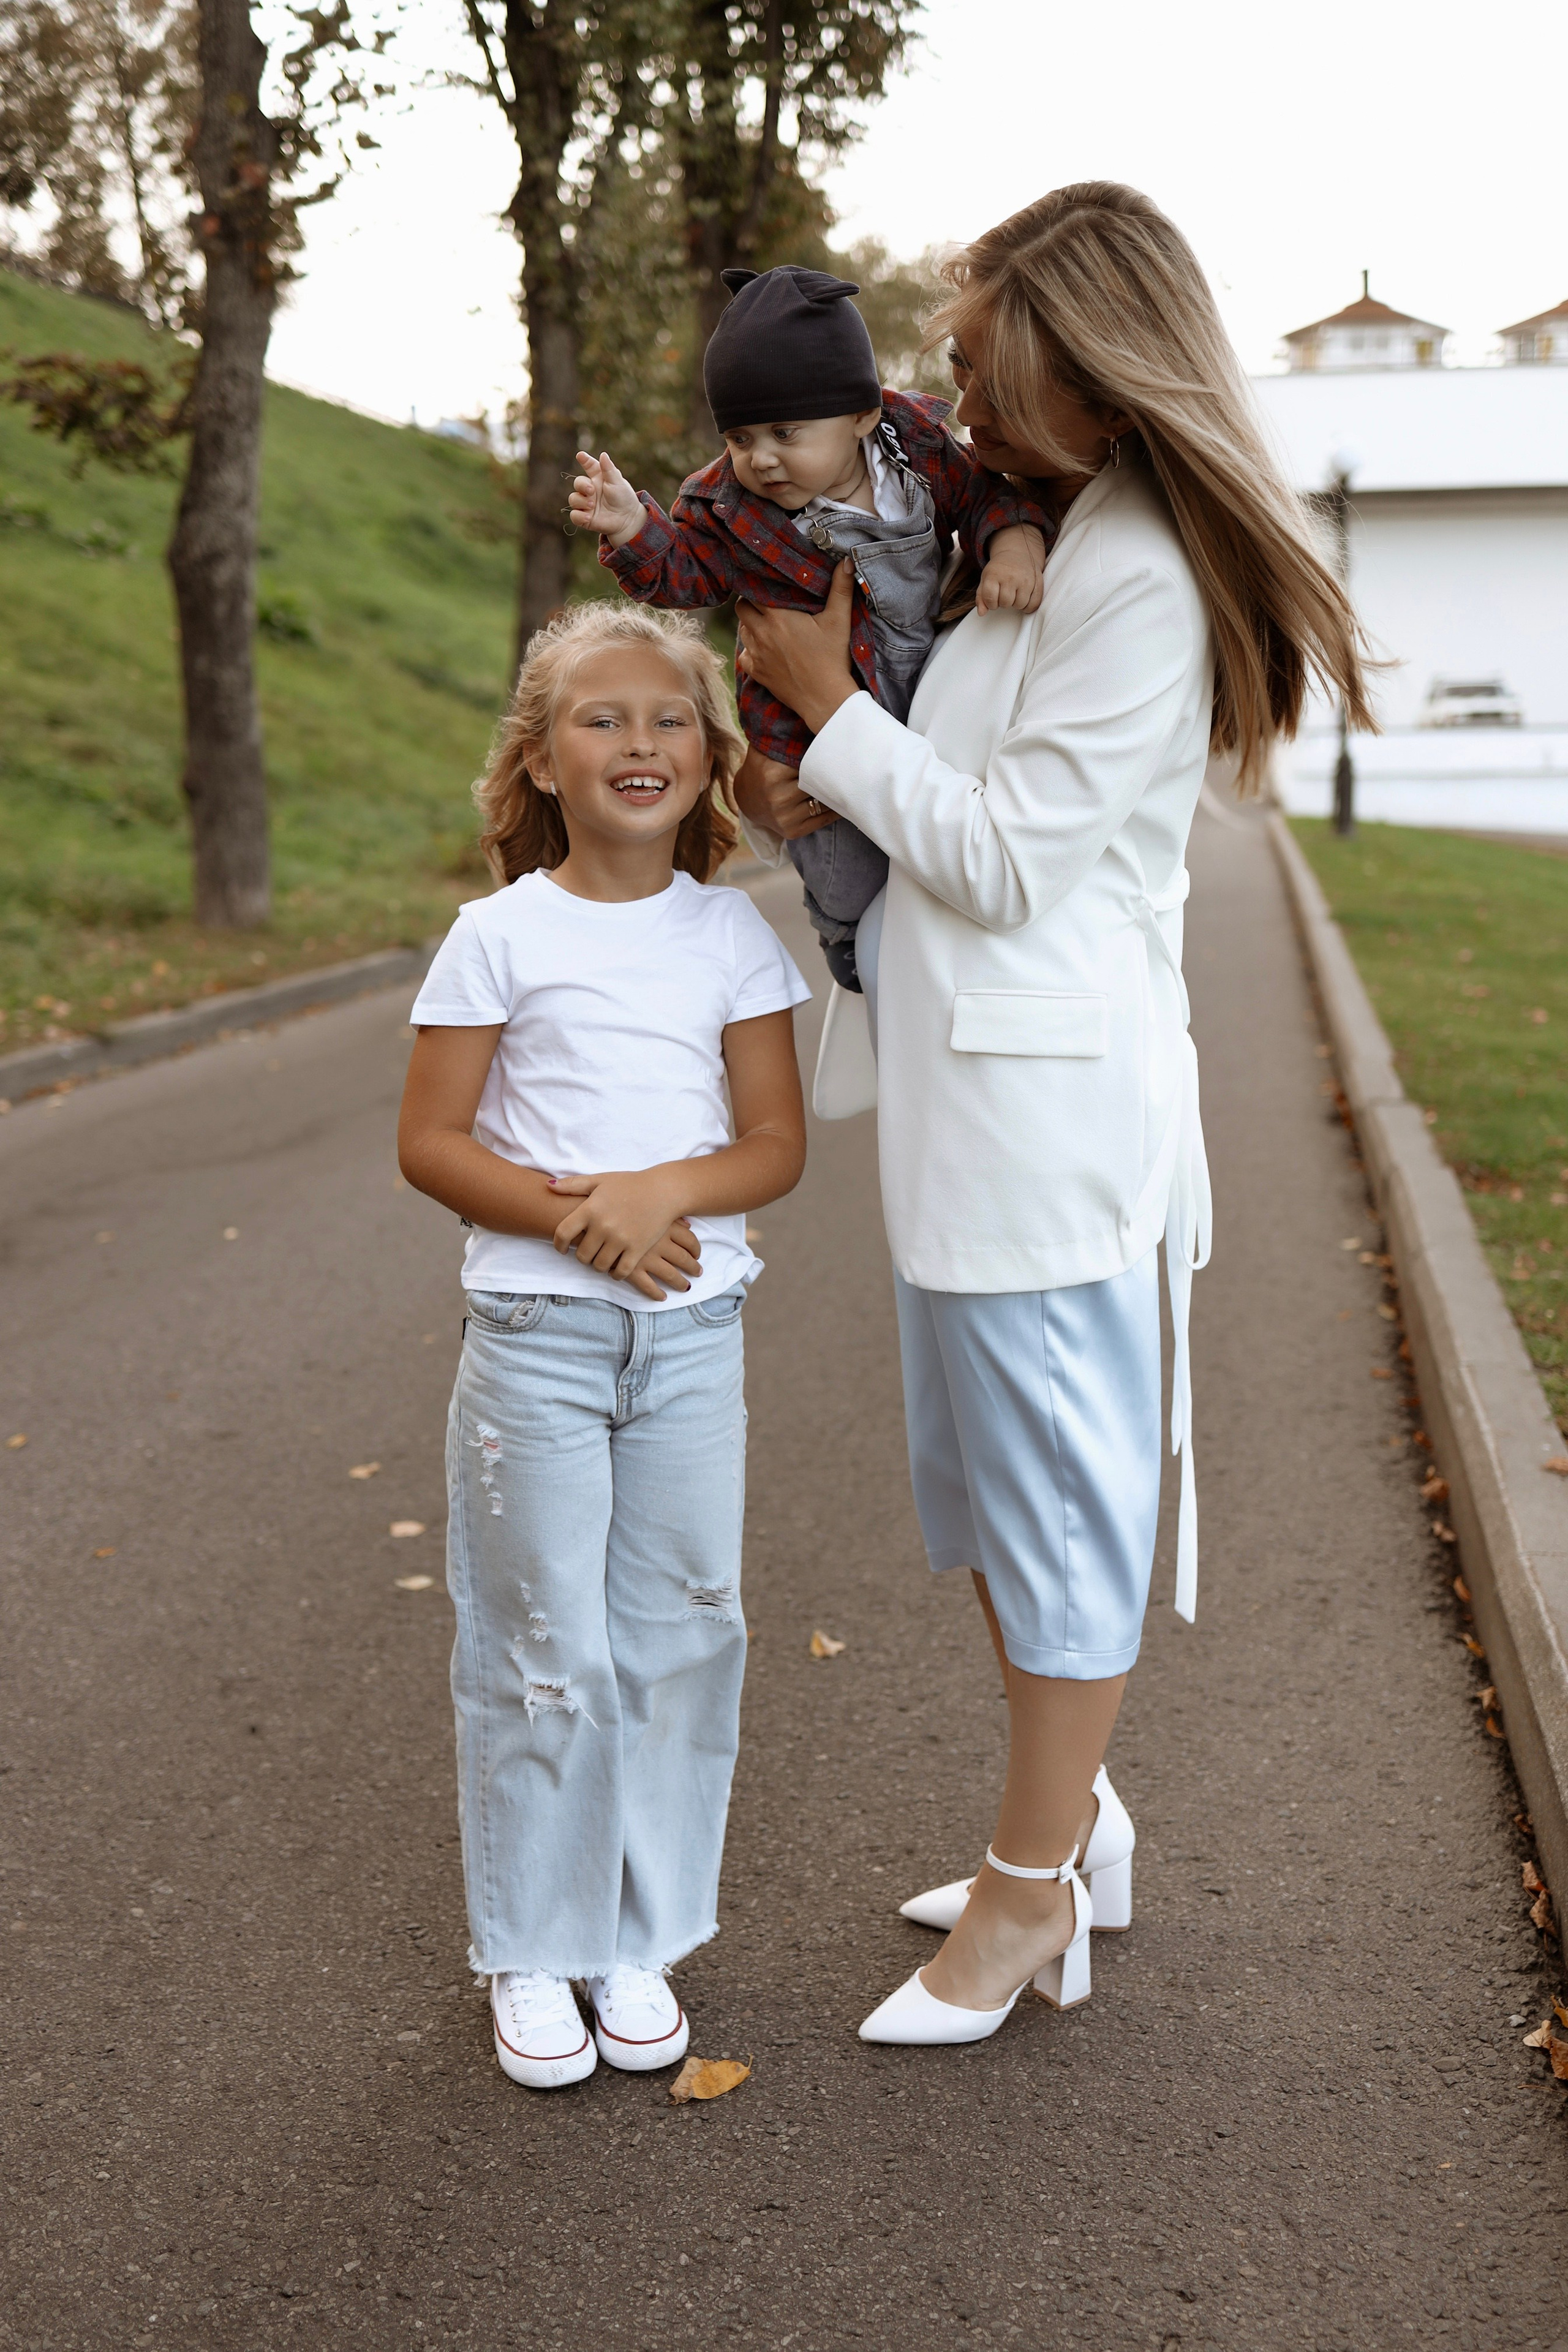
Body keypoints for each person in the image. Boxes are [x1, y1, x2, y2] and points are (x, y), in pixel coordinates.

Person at [731, 183, 1374, 2048]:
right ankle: (1072, 1832)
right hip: (966, 1109)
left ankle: (1028, 1902)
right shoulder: (1060, 532)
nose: (940, 383)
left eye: (971, 350)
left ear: (1077, 353)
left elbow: (1007, 858)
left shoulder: (1140, 573)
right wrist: (824, 775)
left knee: (1061, 1509)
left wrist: (823, 710)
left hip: (1044, 1130)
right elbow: (962, 792)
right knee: (1003, 1503)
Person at [397, 602, 811, 2090]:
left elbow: (771, 1143)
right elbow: (432, 1142)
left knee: (682, 1629)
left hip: (694, 1344)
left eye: (667, 719)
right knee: (540, 1646)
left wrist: (662, 1195)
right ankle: (529, 1938)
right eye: (600, 718)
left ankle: (638, 1930)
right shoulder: (496, 936)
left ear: (709, 757)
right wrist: (582, 1223)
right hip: (536, 1344)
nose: (638, 741)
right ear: (541, 759)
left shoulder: (732, 936)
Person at [567, 262, 1051, 994]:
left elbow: (985, 497)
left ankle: (910, 940)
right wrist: (636, 527)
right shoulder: (725, 505)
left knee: (934, 833)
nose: (761, 457)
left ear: (860, 414)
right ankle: (845, 935)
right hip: (807, 735)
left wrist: (1011, 545)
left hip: (926, 694)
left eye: (786, 433)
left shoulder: (915, 451)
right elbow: (687, 576)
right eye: (739, 436)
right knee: (841, 859)